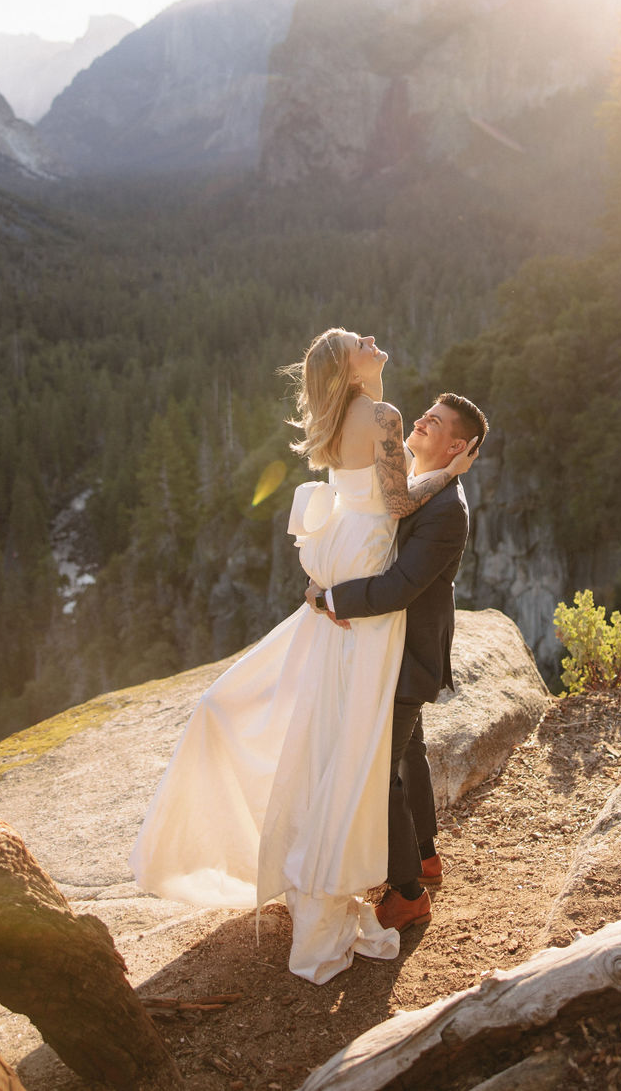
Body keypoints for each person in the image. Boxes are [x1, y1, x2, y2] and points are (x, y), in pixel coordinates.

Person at [129, 328, 477, 985]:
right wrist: (447, 475)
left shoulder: (342, 419)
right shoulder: (383, 417)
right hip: (366, 590)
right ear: (350, 365)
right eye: (360, 340)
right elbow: (400, 503)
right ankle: (395, 877)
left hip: (351, 563)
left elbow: (377, 498)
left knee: (391, 744)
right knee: (370, 753)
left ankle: (415, 860)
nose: (374, 338)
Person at [304, 392, 488, 935]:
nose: (423, 419)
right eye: (426, 412)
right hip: (393, 646)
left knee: (375, 769)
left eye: (436, 421)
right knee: (409, 751)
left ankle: (407, 893)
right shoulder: (409, 481)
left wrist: (328, 599)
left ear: (458, 446)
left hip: (408, 653)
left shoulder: (448, 510)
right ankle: (425, 858)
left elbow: (400, 586)